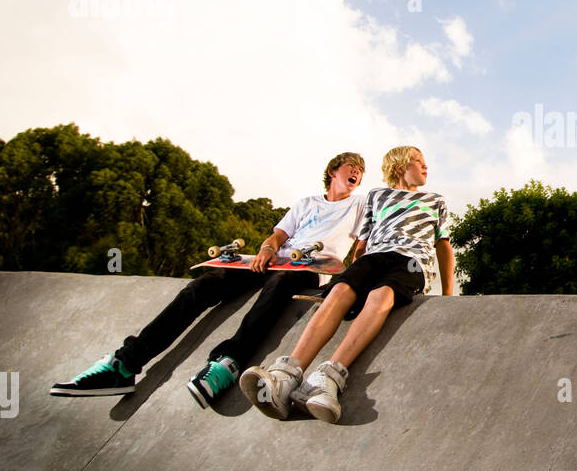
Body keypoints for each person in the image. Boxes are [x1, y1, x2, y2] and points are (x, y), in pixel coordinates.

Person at [50, 152, 368, 408]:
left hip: (308, 268)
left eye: (361, 172)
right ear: (333, 171)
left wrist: (356, 280)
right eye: (352, 167)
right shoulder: (305, 204)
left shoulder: (358, 204)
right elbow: (277, 236)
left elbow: (364, 242)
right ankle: (125, 364)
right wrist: (266, 249)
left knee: (277, 288)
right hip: (277, 259)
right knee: (203, 285)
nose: (357, 174)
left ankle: (228, 362)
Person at [241, 145, 455, 422]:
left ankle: (328, 377)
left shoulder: (435, 200)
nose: (426, 167)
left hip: (411, 261)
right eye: (419, 161)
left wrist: (448, 293)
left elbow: (443, 246)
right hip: (374, 256)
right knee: (341, 289)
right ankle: (286, 376)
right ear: (401, 166)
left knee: (382, 295)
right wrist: (354, 270)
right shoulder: (377, 196)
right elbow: (363, 242)